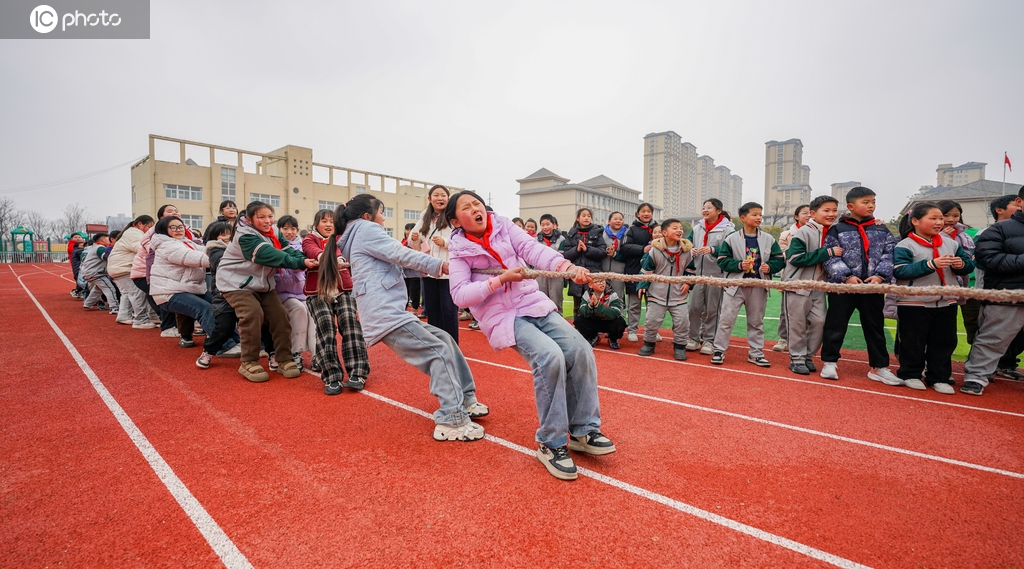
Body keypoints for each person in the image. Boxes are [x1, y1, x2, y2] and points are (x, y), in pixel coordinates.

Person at [446, 191, 613, 480]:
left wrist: (568, 268)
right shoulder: (459, 249)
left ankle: (583, 430)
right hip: (502, 316)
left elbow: (534, 250)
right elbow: (460, 295)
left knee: (580, 350)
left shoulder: (503, 226)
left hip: (532, 304)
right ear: (455, 221)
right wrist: (499, 280)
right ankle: (551, 442)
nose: (476, 208)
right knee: (549, 358)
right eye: (467, 207)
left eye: (477, 203)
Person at [337, 194, 488, 441]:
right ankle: (451, 418)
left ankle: (466, 398)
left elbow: (399, 264)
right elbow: (401, 254)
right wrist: (441, 265)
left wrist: (438, 265)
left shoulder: (359, 233)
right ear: (367, 215)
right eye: (381, 211)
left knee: (446, 340)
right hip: (385, 313)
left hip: (389, 310)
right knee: (438, 351)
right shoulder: (367, 230)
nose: (383, 217)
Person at [217, 201, 313, 383]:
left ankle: (284, 358)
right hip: (236, 284)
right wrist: (300, 263)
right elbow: (269, 254)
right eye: (261, 217)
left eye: (270, 216)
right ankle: (248, 361)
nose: (268, 220)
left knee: (280, 316)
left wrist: (303, 259)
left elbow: (287, 249)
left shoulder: (274, 232)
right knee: (252, 314)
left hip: (263, 285)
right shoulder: (244, 235)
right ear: (250, 219)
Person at [820, 187, 901, 384]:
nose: (871, 205)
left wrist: (880, 276)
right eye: (865, 202)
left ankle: (879, 367)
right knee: (835, 324)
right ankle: (829, 362)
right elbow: (829, 255)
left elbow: (889, 253)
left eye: (873, 201)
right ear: (850, 206)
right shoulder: (838, 229)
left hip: (872, 287)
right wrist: (846, 276)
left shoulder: (881, 229)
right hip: (844, 287)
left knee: (875, 327)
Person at [892, 202, 974, 394]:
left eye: (940, 218)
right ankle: (910, 374)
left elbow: (969, 266)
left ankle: (939, 377)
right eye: (933, 218)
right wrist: (931, 264)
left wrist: (960, 264)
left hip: (947, 302)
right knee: (913, 342)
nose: (939, 222)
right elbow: (900, 271)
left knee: (944, 342)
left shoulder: (951, 243)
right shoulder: (905, 245)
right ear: (915, 221)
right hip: (914, 303)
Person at [961, 189, 1024, 396]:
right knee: (993, 338)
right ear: (1019, 201)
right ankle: (976, 377)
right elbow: (988, 259)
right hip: (1007, 296)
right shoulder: (999, 229)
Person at [304, 207, 370, 395]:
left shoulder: (341, 239)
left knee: (350, 323)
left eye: (332, 221)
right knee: (325, 327)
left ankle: (358, 372)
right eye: (324, 221)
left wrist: (340, 256)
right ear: (316, 224)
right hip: (318, 292)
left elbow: (341, 249)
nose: (328, 224)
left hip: (343, 291)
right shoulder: (310, 238)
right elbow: (311, 249)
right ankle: (332, 376)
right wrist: (325, 256)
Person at [710, 202, 785, 367]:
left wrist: (770, 267)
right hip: (734, 287)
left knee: (756, 321)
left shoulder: (768, 239)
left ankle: (756, 353)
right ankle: (719, 351)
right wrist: (738, 265)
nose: (759, 218)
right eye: (755, 214)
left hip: (758, 286)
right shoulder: (731, 238)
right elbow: (722, 261)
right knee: (726, 320)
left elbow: (779, 260)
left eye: (760, 214)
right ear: (743, 218)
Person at [782, 196, 841, 375]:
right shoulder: (803, 232)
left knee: (820, 322)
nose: (831, 214)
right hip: (797, 285)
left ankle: (808, 355)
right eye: (826, 210)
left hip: (819, 286)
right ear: (813, 214)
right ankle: (797, 358)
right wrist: (827, 252)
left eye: (834, 210)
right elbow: (795, 258)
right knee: (797, 323)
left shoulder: (834, 231)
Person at [149, 216, 217, 351]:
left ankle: (234, 340)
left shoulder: (186, 242)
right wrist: (223, 260)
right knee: (204, 308)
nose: (178, 230)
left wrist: (223, 248)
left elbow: (204, 249)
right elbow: (193, 257)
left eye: (180, 227)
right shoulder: (166, 245)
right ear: (163, 229)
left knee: (219, 305)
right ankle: (221, 344)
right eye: (173, 227)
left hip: (186, 287)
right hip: (168, 292)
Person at [409, 185, 460, 343]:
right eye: (436, 195)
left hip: (449, 273)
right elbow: (413, 243)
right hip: (430, 271)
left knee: (449, 310)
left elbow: (463, 242)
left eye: (443, 195)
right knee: (432, 310)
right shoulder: (425, 216)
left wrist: (445, 242)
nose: (440, 198)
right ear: (429, 199)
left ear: (448, 198)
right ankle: (437, 344)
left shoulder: (454, 216)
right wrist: (415, 238)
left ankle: (452, 345)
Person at [637, 219, 694, 360]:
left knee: (683, 323)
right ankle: (649, 344)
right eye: (675, 228)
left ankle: (680, 347)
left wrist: (688, 283)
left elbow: (691, 271)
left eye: (680, 228)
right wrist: (642, 286)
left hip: (678, 295)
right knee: (651, 321)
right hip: (657, 294)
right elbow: (646, 270)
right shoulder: (655, 251)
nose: (679, 230)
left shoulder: (687, 252)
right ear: (664, 233)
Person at [195, 222, 245, 369]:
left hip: (244, 292)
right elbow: (222, 264)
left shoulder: (238, 247)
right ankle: (209, 351)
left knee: (259, 321)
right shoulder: (214, 249)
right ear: (214, 237)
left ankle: (266, 350)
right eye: (223, 234)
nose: (227, 237)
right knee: (224, 327)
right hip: (224, 295)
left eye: (229, 234)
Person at [686, 199, 734, 354]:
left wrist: (714, 250)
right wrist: (691, 250)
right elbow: (686, 243)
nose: (705, 210)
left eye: (709, 208)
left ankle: (709, 340)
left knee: (713, 309)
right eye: (703, 207)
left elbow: (732, 251)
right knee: (694, 308)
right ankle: (693, 338)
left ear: (719, 211)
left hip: (716, 276)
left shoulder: (728, 229)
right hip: (696, 275)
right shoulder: (697, 228)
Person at [275, 215, 317, 370]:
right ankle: (295, 352)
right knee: (298, 309)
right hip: (281, 293)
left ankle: (316, 353)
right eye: (285, 228)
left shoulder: (301, 246)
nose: (289, 232)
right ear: (278, 230)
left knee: (312, 311)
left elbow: (302, 267)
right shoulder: (273, 245)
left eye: (293, 228)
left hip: (300, 292)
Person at [107, 215, 157, 328]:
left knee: (127, 293)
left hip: (118, 267)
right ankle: (141, 320)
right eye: (149, 226)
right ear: (140, 224)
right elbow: (141, 248)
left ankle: (124, 316)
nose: (149, 230)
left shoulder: (131, 232)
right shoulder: (134, 232)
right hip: (124, 268)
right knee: (138, 292)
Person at [619, 203, 658, 342]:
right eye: (643, 211)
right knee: (634, 304)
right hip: (633, 270)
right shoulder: (631, 229)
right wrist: (643, 249)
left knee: (653, 305)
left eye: (649, 211)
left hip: (654, 273)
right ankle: (632, 330)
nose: (646, 213)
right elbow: (624, 247)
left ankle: (653, 330)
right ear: (638, 214)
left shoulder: (658, 228)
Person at [774, 204, 810, 353]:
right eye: (804, 213)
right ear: (796, 216)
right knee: (786, 310)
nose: (808, 216)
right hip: (791, 276)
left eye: (810, 213)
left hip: (812, 276)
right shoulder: (786, 235)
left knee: (810, 311)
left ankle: (804, 341)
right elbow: (785, 256)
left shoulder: (820, 232)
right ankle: (783, 339)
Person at [561, 207, 606, 317]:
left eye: (589, 216)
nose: (586, 218)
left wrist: (587, 249)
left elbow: (602, 252)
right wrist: (577, 250)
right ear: (577, 218)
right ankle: (577, 329)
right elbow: (565, 255)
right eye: (584, 215)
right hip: (576, 275)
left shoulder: (597, 233)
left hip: (593, 274)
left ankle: (592, 331)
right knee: (577, 306)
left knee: (593, 303)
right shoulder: (571, 234)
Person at [574, 278, 627, 349]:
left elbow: (615, 313)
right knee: (578, 320)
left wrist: (597, 306)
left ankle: (613, 339)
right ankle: (593, 336)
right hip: (593, 321)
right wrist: (590, 306)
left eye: (602, 280)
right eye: (597, 281)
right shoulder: (587, 294)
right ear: (590, 285)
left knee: (620, 322)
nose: (601, 283)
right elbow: (582, 311)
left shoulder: (612, 294)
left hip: (608, 322)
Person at [536, 214, 566, 315]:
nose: (545, 227)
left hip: (556, 274)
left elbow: (562, 256)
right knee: (541, 300)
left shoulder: (561, 239)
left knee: (556, 300)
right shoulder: (536, 240)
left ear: (553, 225)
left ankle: (559, 323)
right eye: (542, 225)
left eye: (547, 224)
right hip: (540, 274)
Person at [80, 233, 117, 312]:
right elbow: (106, 257)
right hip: (95, 273)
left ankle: (88, 303)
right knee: (110, 288)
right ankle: (114, 307)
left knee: (98, 289)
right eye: (108, 239)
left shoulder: (95, 247)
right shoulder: (100, 248)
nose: (110, 241)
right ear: (103, 240)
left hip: (90, 273)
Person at [600, 211, 628, 300]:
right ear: (608, 221)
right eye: (615, 219)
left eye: (620, 219)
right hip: (602, 270)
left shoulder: (627, 234)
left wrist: (615, 254)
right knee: (602, 297)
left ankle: (619, 314)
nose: (618, 221)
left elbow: (628, 252)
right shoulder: (601, 233)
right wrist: (605, 251)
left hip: (619, 271)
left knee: (617, 296)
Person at [401, 222, 422, 315]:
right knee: (403, 290)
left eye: (410, 229)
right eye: (407, 229)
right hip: (404, 270)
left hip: (414, 269)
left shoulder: (417, 242)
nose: (408, 231)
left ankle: (414, 309)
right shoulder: (403, 241)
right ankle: (403, 310)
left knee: (414, 290)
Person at [68, 233, 87, 298]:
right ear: (72, 239)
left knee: (80, 278)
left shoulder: (82, 245)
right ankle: (79, 291)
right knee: (80, 278)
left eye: (79, 237)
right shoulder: (72, 245)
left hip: (79, 265)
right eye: (75, 237)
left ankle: (79, 290)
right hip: (77, 265)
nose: (78, 238)